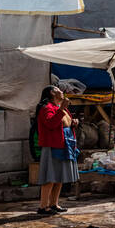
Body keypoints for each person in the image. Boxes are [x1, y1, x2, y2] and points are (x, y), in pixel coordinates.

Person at [35, 86, 78, 216]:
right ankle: (43, 206)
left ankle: (54, 204)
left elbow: (66, 123)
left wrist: (73, 123)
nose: (62, 91)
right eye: (58, 89)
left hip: (64, 144)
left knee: (58, 176)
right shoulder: (46, 108)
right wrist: (62, 108)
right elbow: (51, 124)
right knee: (50, 176)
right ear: (52, 93)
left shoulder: (58, 108)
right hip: (53, 145)